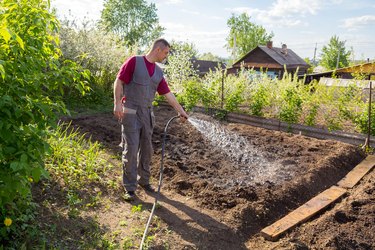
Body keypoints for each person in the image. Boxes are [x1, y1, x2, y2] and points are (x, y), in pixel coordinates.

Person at [113, 38, 189, 201]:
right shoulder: (134, 61)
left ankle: (144, 181)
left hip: (147, 113)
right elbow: (119, 81)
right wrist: (117, 103)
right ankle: (130, 187)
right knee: (132, 149)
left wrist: (181, 111)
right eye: (166, 52)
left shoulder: (158, 72)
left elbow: (168, 94)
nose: (166, 56)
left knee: (147, 149)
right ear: (158, 50)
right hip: (131, 111)